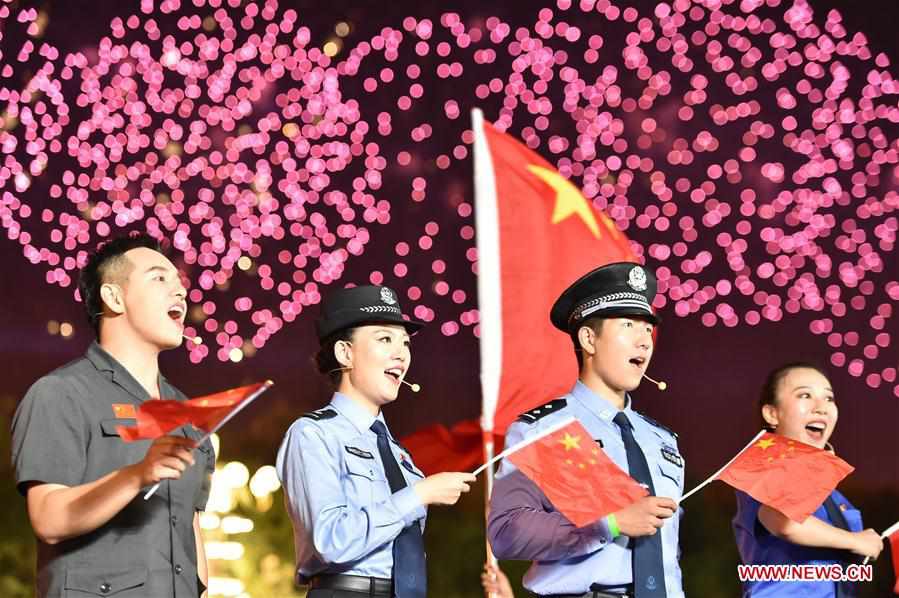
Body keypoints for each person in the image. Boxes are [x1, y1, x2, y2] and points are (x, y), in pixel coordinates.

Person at [10, 233, 215, 597]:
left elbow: (192, 530)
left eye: (179, 281)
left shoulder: (189, 415)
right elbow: (49, 518)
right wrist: (136, 475)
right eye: (159, 278)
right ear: (114, 297)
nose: (180, 291)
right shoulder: (61, 394)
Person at [488, 261, 685, 598]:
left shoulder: (662, 441)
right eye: (628, 325)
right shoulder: (545, 429)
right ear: (588, 338)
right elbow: (506, 531)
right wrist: (610, 524)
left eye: (647, 328)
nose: (644, 341)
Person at [276, 284, 477, 597]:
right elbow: (331, 542)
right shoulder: (313, 434)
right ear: (345, 352)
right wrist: (418, 494)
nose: (401, 354)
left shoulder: (399, 455)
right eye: (385, 339)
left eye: (406, 344)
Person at [732, 362, 883, 597]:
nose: (821, 408)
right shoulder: (761, 469)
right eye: (805, 395)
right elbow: (785, 522)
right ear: (772, 413)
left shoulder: (835, 495)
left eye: (829, 399)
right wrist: (854, 540)